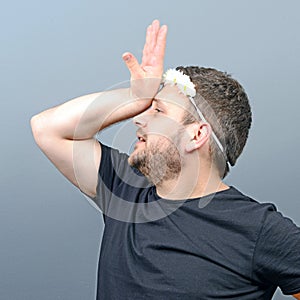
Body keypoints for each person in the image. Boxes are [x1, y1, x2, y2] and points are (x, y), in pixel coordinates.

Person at [31, 19, 300, 299]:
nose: (138, 118)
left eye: (157, 111)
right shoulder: (124, 189)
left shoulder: (259, 230)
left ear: (196, 136)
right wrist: (135, 97)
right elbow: (46, 128)